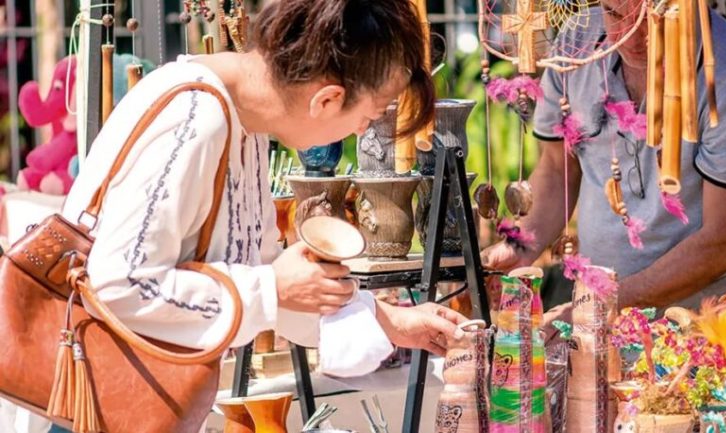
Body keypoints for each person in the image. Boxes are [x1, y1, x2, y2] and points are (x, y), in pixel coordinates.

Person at [62, 0, 466, 365]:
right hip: (95, 402)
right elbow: (118, 284)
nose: (363, 132)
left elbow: (264, 272)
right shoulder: (196, 118)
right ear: (326, 99)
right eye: (370, 114)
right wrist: (270, 288)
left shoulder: (246, 120)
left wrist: (389, 319)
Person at [482, 0, 726, 331]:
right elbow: (557, 168)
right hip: (601, 325)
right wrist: (520, 245)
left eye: (649, 20)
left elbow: (725, 241)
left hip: (706, 331)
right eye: (616, 15)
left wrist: (607, 302)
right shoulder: (577, 41)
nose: (631, 38)